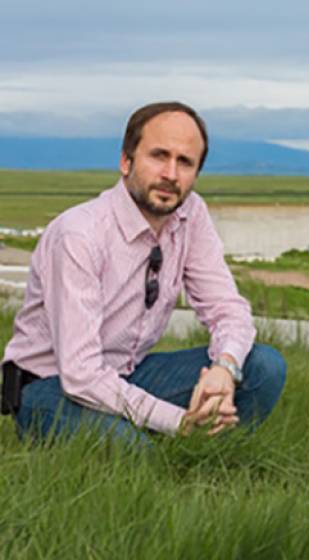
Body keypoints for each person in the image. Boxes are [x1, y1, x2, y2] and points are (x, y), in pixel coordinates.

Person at [1, 101, 286, 444]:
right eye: (158, 156)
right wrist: (178, 421)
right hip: (51, 388)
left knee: (263, 367)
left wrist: (225, 369)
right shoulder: (79, 235)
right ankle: (167, 441)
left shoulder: (191, 214)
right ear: (126, 161)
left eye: (185, 162)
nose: (171, 174)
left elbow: (227, 308)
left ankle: (208, 454)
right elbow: (80, 374)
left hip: (129, 374)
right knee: (133, 452)